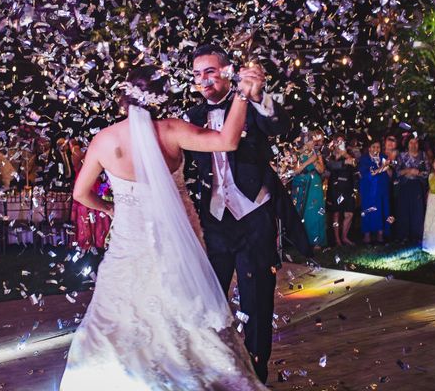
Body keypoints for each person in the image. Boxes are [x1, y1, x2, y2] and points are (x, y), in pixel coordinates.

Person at [60, 65, 267, 390]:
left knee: (117, 315)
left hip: (128, 247)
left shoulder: (104, 140)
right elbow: (228, 142)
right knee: (184, 312)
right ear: (160, 97)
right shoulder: (171, 130)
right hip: (176, 245)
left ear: (122, 100)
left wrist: (111, 209)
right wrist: (241, 93)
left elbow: (80, 193)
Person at [184, 44, 310, 384]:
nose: (203, 80)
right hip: (214, 222)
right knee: (209, 298)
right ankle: (212, 370)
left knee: (257, 299)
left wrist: (259, 97)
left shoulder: (250, 103)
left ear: (228, 71)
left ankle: (256, 375)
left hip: (255, 216)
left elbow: (279, 125)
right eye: (197, 74)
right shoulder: (192, 118)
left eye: (210, 71)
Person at [291, 131, 327, 250]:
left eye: (313, 140)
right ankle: (302, 240)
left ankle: (317, 240)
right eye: (310, 140)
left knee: (315, 211)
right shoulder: (297, 154)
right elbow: (295, 170)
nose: (313, 142)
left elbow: (322, 170)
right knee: (301, 210)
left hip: (314, 183)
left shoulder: (317, 154)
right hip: (301, 182)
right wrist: (305, 163)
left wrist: (315, 161)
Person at [395, 136, 430, 244]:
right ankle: (403, 236)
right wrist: (408, 170)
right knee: (403, 210)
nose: (413, 145)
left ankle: (417, 236)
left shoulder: (423, 155)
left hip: (417, 185)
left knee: (418, 211)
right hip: (404, 185)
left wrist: (418, 173)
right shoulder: (401, 156)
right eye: (411, 142)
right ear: (407, 143)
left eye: (416, 143)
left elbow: (428, 171)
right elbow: (396, 172)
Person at [358, 139, 391, 244]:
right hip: (368, 189)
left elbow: (390, 175)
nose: (376, 149)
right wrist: (381, 167)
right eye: (373, 147)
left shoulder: (383, 158)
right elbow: (368, 174)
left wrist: (388, 167)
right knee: (368, 210)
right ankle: (367, 235)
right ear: (369, 148)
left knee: (381, 210)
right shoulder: (364, 159)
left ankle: (380, 234)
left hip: (381, 189)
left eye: (378, 147)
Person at [326, 134, 356, 246]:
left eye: (342, 141)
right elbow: (331, 166)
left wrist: (346, 155)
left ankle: (344, 237)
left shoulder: (349, 154)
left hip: (347, 188)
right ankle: (337, 239)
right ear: (333, 143)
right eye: (337, 141)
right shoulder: (330, 156)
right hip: (335, 188)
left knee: (349, 214)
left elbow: (354, 164)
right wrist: (344, 162)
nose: (339, 144)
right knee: (336, 214)